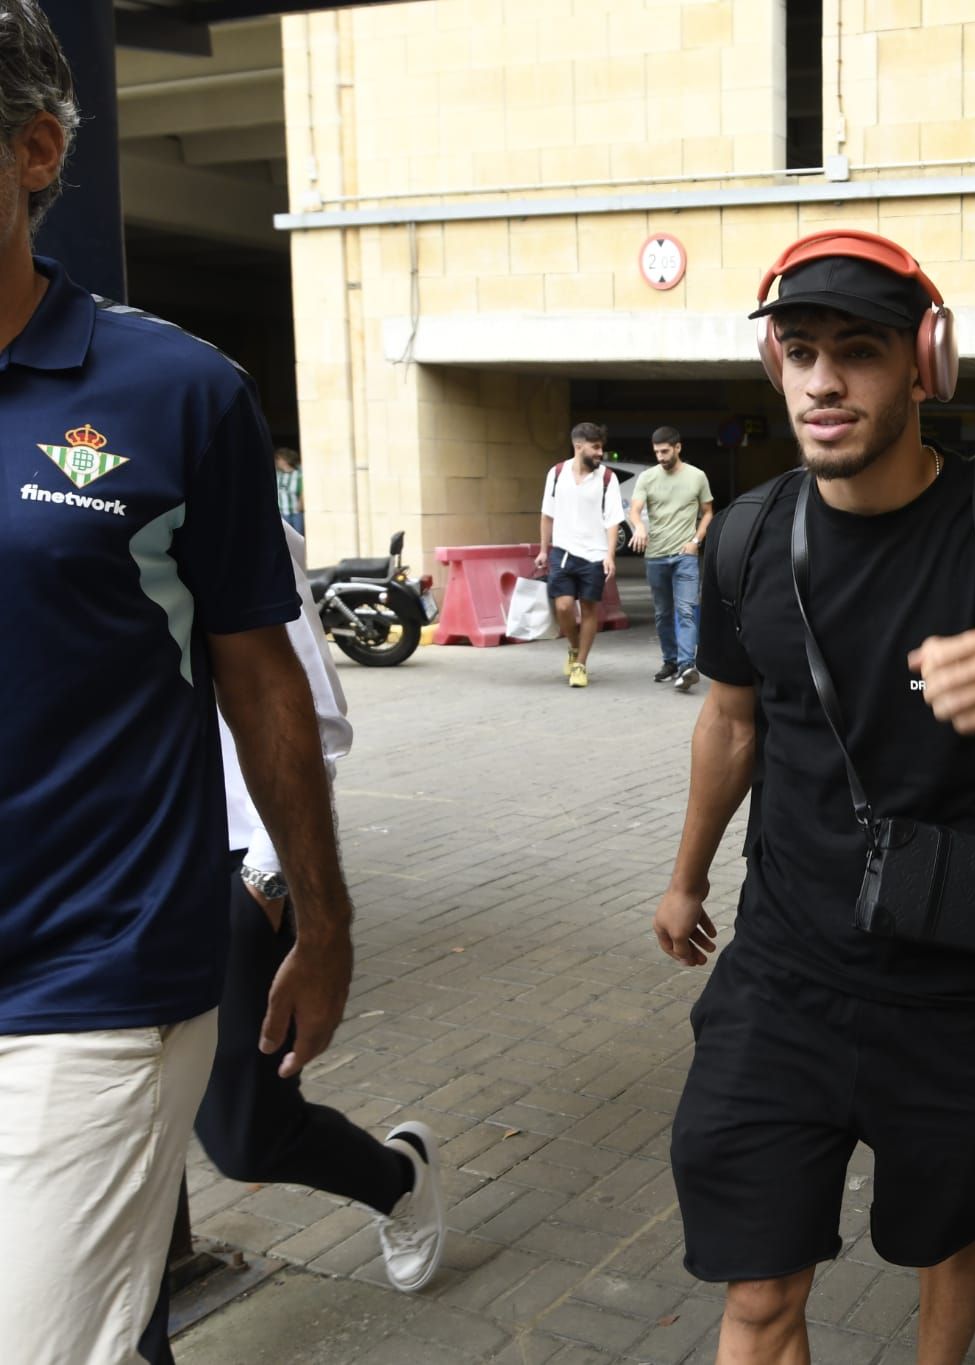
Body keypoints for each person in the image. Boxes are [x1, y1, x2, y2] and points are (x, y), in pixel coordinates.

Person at [653, 230, 975, 1364]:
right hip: (779, 977)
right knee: (755, 1300)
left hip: (956, 982)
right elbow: (731, 721)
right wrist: (685, 875)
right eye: (798, 351)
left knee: (947, 1229)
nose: (823, 380)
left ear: (924, 362)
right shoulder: (745, 538)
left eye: (859, 351)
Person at [1, 6, 356, 1360]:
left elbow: (268, 682)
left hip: (90, 978)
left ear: (35, 150)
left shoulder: (175, 395)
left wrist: (316, 918)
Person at [196, 520, 446, 1297]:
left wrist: (271, 882)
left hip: (229, 865)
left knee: (244, 1138)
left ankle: (397, 1180)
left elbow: (305, 711)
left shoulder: (229, 511)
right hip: (83, 871)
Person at [535, 420, 624, 688]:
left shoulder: (608, 478)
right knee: (562, 606)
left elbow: (612, 520)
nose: (600, 453)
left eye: (601, 448)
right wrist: (542, 549)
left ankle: (581, 665)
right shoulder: (557, 473)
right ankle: (574, 648)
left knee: (588, 609)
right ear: (578, 446)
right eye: (595, 447)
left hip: (594, 555)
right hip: (562, 551)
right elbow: (547, 514)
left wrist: (610, 556)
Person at [627, 425, 715, 690]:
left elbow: (708, 512)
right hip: (655, 556)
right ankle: (671, 661)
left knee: (686, 610)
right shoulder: (647, 478)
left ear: (678, 447)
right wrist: (639, 527)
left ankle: (687, 665)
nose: (661, 457)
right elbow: (635, 510)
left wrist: (696, 541)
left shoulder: (697, 476)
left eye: (665, 451)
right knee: (663, 613)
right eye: (656, 452)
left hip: (684, 555)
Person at [275, 445, 304, 535]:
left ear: (285, 460)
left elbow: (303, 490)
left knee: (298, 537)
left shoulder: (298, 474)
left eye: (278, 459)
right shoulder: (277, 475)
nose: (276, 461)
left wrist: (301, 503)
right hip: (282, 513)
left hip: (296, 513)